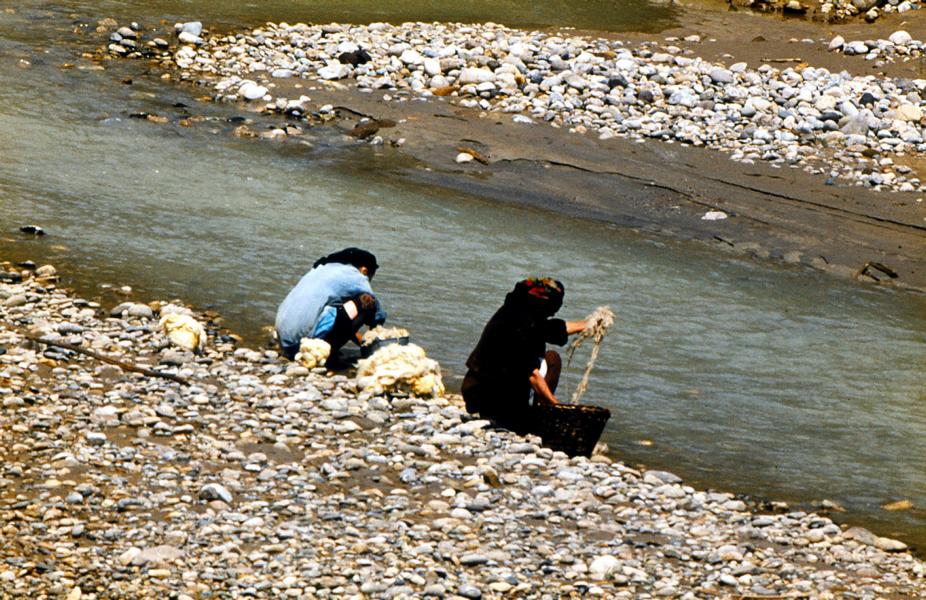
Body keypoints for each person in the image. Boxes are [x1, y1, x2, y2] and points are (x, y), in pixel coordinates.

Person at [462, 278, 588, 435]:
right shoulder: (521, 325)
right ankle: (538, 412)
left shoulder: (518, 310)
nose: (555, 312)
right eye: (555, 306)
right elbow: (533, 376)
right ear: (544, 303)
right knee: (551, 362)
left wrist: (589, 324)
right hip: (485, 396)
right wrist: (560, 408)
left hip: (476, 389)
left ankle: (533, 411)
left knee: (552, 358)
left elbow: (553, 328)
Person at [275, 247, 386, 362]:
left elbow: (342, 318)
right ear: (364, 270)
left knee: (341, 307)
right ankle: (331, 354)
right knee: (367, 301)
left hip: (286, 344)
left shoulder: (320, 268)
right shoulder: (355, 276)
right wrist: (377, 337)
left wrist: (362, 342)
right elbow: (379, 314)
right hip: (306, 347)